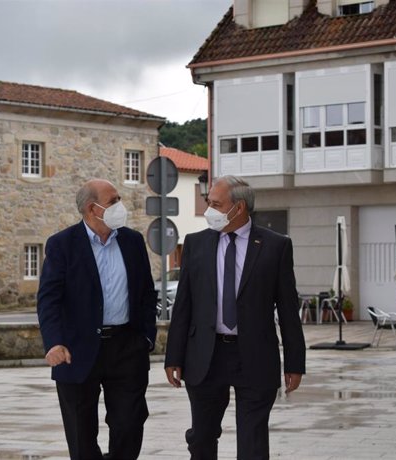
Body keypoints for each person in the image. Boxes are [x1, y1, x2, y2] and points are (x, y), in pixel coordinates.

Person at [164, 175, 306, 460]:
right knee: (202, 437)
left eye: (216, 204)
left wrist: (294, 362)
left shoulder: (276, 246)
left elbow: (288, 309)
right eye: (209, 203)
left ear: (238, 208)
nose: (209, 210)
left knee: (253, 440)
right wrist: (173, 356)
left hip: (254, 355)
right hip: (206, 355)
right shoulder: (195, 244)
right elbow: (184, 305)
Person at [37, 179, 157, 460]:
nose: (120, 206)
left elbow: (147, 294)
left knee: (129, 424)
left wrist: (146, 338)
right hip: (76, 351)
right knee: (80, 433)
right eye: (114, 200)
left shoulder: (132, 240)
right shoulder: (62, 244)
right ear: (93, 208)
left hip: (127, 347)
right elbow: (48, 299)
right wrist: (54, 342)